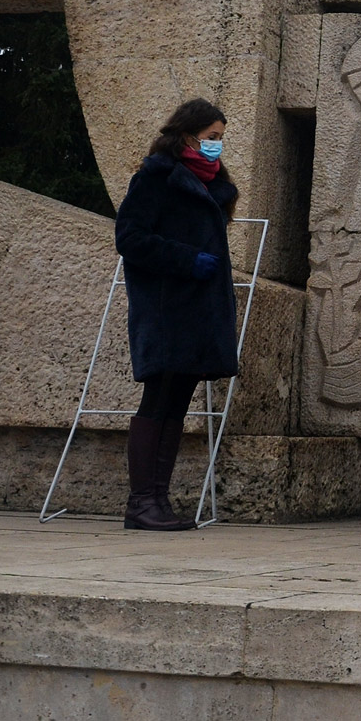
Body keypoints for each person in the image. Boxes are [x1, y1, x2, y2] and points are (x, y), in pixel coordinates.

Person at [113, 98, 242, 530]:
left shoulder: (212, 184)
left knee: (177, 404)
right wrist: (187, 261)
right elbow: (130, 238)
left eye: (221, 139)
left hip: (198, 314)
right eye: (212, 138)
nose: (217, 147)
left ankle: (158, 500)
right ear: (188, 136)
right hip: (168, 310)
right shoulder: (155, 178)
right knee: (159, 399)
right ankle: (140, 503)